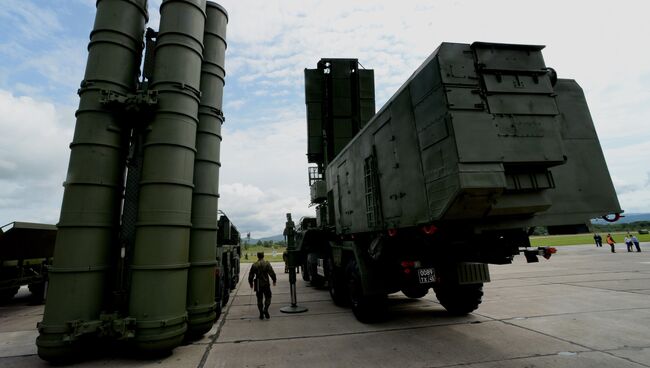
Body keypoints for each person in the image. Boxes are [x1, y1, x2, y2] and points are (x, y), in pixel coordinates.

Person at [248, 251, 277, 320]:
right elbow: (272, 273)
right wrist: (274, 280)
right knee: (268, 297)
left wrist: (251, 283)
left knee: (259, 299)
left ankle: (261, 313)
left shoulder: (254, 265)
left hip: (258, 284)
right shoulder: (267, 264)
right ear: (263, 256)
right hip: (266, 283)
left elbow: (251, 275)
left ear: (257, 256)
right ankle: (266, 309)